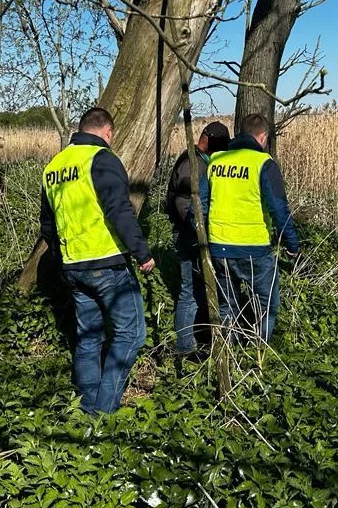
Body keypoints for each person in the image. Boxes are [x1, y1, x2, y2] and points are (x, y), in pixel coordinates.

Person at [40, 107, 155, 414]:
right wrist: (142, 253)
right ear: (107, 132)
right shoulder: (102, 160)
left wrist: (62, 257)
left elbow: (47, 226)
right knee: (131, 335)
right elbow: (120, 210)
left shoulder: (54, 165)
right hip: (107, 264)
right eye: (111, 136)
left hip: (72, 267)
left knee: (89, 338)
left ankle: (87, 407)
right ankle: (103, 412)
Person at [200, 113, 300, 343]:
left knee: (228, 306)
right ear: (263, 137)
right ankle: (257, 356)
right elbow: (278, 209)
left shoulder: (216, 161)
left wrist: (204, 236)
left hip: (219, 247)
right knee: (266, 306)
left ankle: (227, 355)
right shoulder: (263, 163)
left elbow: (200, 204)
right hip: (254, 249)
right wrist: (292, 245)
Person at [164, 121, 231, 356]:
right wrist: (197, 230)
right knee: (190, 292)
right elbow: (183, 202)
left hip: (193, 234)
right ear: (208, 139)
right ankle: (184, 347)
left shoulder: (201, 161)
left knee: (199, 291)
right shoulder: (192, 163)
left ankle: (198, 339)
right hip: (189, 236)